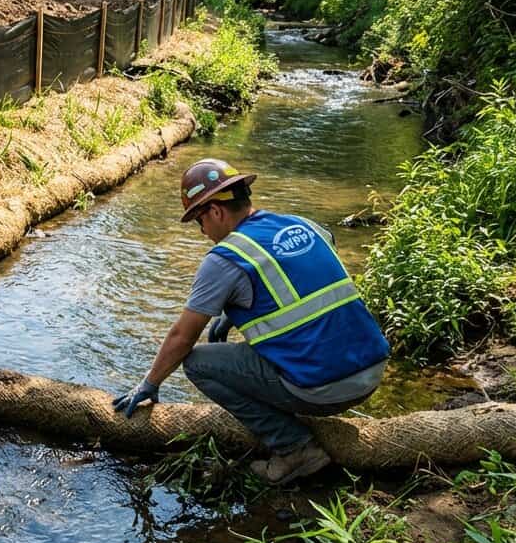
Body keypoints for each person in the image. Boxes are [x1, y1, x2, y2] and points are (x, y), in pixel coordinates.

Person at [111, 159, 390, 485]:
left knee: (197, 363)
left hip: (325, 389)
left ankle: (295, 449)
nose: (202, 232)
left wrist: (149, 384)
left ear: (215, 211)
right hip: (372, 371)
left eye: (199, 220)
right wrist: (233, 310)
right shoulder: (302, 224)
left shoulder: (225, 258)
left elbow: (180, 339)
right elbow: (306, 266)